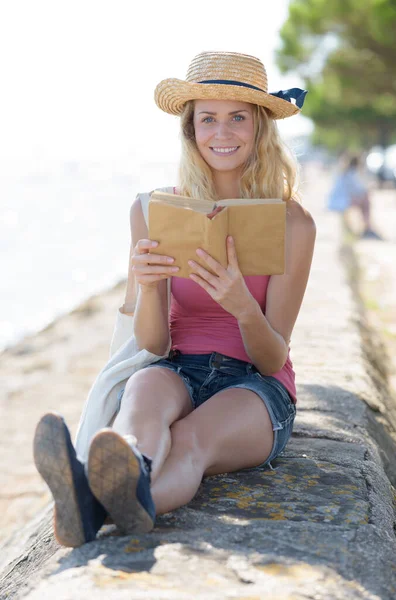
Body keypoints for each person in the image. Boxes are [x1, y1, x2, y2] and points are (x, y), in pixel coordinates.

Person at [33, 51, 316, 547]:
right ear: (190, 130)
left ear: (260, 128)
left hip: (255, 385)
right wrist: (147, 285)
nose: (221, 133)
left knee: (190, 442)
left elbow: (273, 357)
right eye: (208, 119)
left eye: (237, 119)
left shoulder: (294, 224)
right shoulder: (154, 210)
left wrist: (241, 306)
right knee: (141, 404)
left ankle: (91, 509)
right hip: (177, 366)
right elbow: (153, 341)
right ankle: (119, 477)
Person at [327, 154, 382, 239]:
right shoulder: (351, 173)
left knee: (365, 199)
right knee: (365, 201)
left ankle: (366, 226)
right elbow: (357, 190)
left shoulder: (344, 172)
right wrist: (369, 189)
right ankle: (367, 227)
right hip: (341, 201)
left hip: (338, 199)